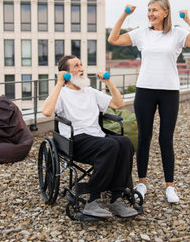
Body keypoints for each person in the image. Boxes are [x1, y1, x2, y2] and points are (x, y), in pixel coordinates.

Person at [107, 0, 190, 203]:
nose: (150, 13)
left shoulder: (178, 33)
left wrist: (188, 20)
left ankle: (169, 186)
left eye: (155, 10)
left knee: (166, 139)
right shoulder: (141, 34)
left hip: (169, 91)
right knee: (144, 137)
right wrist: (125, 15)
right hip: (145, 90)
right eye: (148, 10)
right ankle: (142, 183)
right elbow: (114, 39)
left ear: (165, 12)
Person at [41, 55, 138, 218]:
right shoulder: (62, 94)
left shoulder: (91, 92)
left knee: (125, 142)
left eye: (81, 65)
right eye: (76, 66)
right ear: (66, 73)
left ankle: (117, 199)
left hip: (97, 137)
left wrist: (108, 83)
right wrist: (59, 83)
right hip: (75, 141)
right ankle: (93, 200)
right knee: (111, 146)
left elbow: (119, 104)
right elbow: (46, 111)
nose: (81, 69)